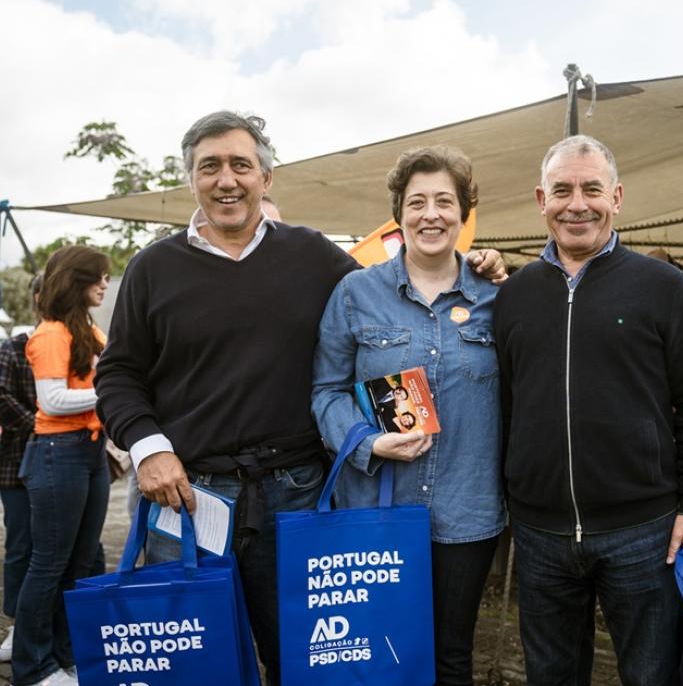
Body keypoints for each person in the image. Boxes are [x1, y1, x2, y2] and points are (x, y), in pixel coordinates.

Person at [94, 112, 505, 686]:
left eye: (241, 164)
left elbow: (398, 287)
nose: (226, 179)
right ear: (190, 179)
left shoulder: (313, 257)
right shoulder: (152, 267)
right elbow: (117, 374)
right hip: (188, 493)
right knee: (192, 663)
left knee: (308, 659)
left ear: (267, 177)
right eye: (209, 166)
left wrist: (480, 264)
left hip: (294, 492)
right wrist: (148, 447)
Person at [493, 135, 683, 686]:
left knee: (651, 675)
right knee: (551, 675)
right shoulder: (513, 296)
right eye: (562, 190)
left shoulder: (664, 287)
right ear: (540, 199)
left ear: (616, 197)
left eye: (591, 189)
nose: (577, 204)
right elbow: (506, 404)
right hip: (541, 534)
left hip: (642, 532)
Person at [312, 144, 505, 686]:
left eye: (445, 201)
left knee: (450, 659)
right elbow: (325, 391)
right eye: (416, 202)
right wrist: (366, 442)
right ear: (398, 213)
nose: (431, 214)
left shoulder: (497, 295)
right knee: (376, 654)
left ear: (464, 214)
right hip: (377, 504)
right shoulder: (355, 293)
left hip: (466, 513)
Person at [14, 247, 111, 686]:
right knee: (50, 563)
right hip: (58, 452)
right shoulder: (52, 334)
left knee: (81, 561)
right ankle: (33, 668)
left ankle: (64, 656)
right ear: (78, 281)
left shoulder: (89, 330)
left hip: (89, 452)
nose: (105, 285)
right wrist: (109, 396)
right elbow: (51, 399)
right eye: (99, 278)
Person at [0, 273, 43, 664]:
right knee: (21, 547)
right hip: (16, 465)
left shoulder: (87, 343)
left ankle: (59, 625)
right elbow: (1, 397)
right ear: (36, 298)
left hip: (73, 464)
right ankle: (17, 625)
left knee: (70, 549)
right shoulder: (14, 349)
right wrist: (44, 425)